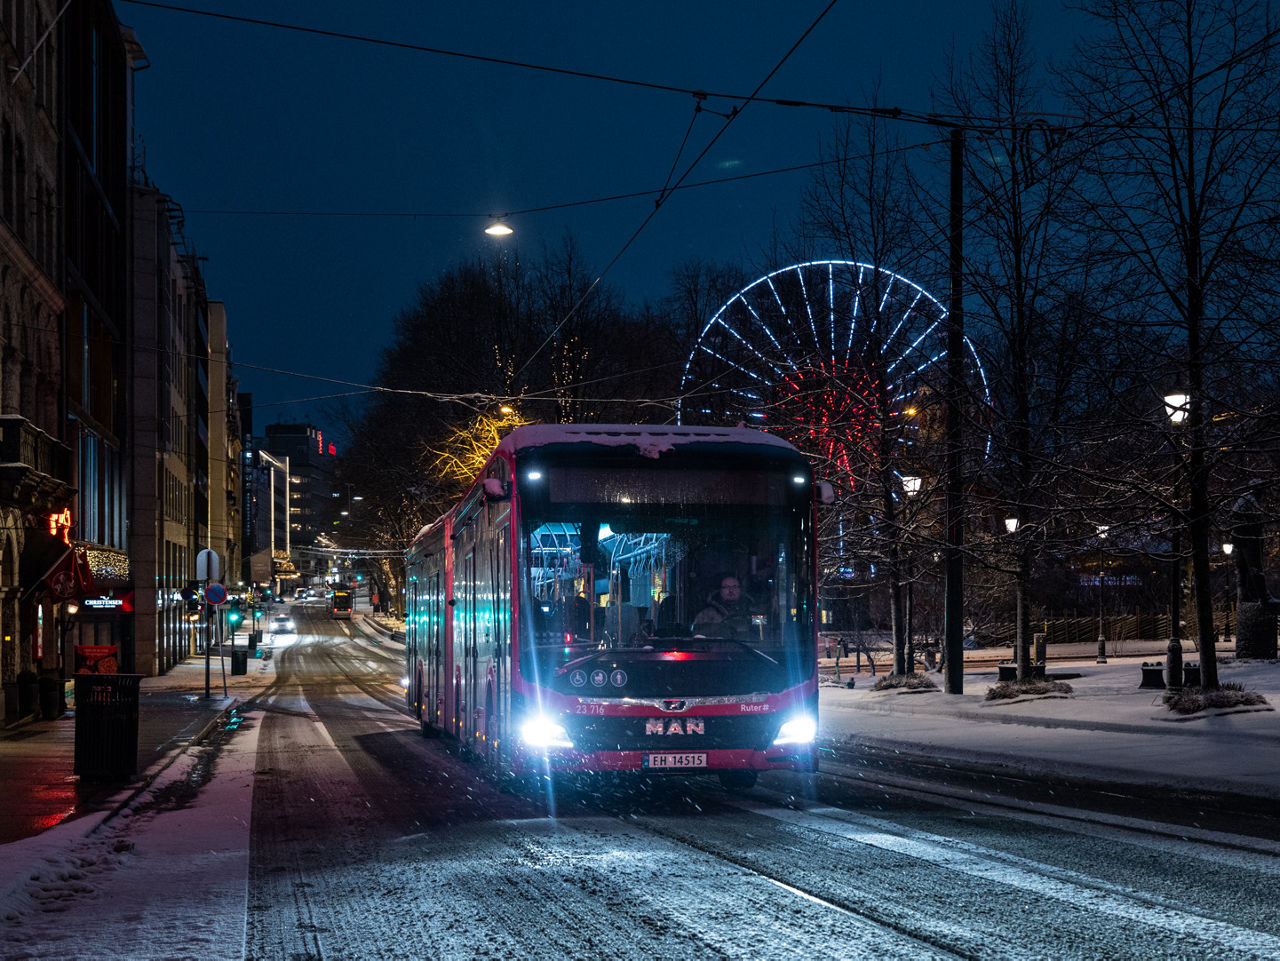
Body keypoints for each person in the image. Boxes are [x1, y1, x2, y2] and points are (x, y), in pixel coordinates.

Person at [693, 574, 758, 637]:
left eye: (735, 587)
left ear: (740, 590)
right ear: (720, 590)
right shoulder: (705, 614)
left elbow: (762, 633)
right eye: (726, 587)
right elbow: (696, 635)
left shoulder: (753, 612)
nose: (731, 590)